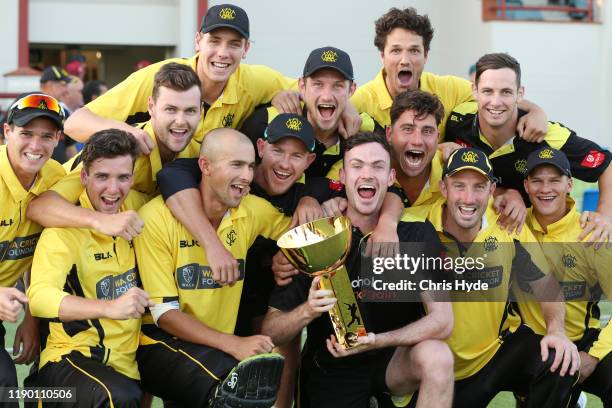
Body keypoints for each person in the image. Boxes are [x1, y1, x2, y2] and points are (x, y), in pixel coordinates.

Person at [262, 132, 455, 408]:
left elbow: (443, 321)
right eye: (357, 166)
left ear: (390, 178)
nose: (367, 174)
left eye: (377, 166)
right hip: (332, 369)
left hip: (392, 362)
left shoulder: (415, 233)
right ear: (342, 177)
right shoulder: (316, 239)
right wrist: (308, 309)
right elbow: (272, 330)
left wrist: (376, 341)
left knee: (438, 356)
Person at [134, 128, 290, 407]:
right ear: (205, 166)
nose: (246, 176)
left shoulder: (251, 210)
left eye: (251, 166)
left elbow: (299, 233)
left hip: (213, 346)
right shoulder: (155, 218)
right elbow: (165, 315)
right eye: (236, 165)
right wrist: (233, 343)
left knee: (253, 384)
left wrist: (289, 252)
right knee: (237, 389)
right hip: (157, 341)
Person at [418, 147, 579, 407]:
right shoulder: (418, 227)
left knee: (557, 360)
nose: (468, 198)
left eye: (479, 187)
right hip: (439, 366)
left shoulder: (507, 226)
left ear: (492, 190)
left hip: (496, 353)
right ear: (443, 188)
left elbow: (547, 286)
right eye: (459, 186)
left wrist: (557, 331)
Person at [64, 3, 295, 155]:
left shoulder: (255, 79)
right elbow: (74, 124)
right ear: (198, 41)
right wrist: (129, 132)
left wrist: (283, 96)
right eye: (214, 41)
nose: (223, 52)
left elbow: (316, 93)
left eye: (234, 44)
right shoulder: (160, 77)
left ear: (245, 49)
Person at [27, 129, 150, 407]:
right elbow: (39, 298)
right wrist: (108, 308)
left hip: (125, 368)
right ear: (84, 177)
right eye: (102, 177)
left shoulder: (140, 210)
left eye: (123, 177)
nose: (113, 189)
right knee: (115, 397)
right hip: (68, 364)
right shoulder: (63, 231)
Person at [445, 52, 612, 242]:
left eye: (506, 92)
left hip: (532, 240)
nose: (496, 101)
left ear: (520, 93)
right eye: (487, 91)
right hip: (476, 235)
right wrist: (504, 192)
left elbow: (607, 164)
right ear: (474, 91)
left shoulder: (545, 134)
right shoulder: (457, 119)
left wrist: (605, 215)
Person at [27, 62, 202, 241]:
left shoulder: (200, 156)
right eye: (170, 109)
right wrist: (101, 220)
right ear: (151, 107)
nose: (180, 121)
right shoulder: (120, 149)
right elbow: (40, 207)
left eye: (190, 111)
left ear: (201, 112)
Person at [351, 7, 548, 141]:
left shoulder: (448, 88)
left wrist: (536, 112)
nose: (405, 60)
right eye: (396, 50)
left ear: (426, 55)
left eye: (414, 50)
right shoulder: (361, 101)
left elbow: (494, 96)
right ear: (382, 56)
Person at [516, 147, 611, 406]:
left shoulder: (592, 232)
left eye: (554, 180)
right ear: (526, 185)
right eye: (537, 180)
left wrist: (594, 355)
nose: (545, 188)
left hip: (583, 343)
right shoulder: (513, 224)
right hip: (531, 344)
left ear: (569, 184)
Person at [0, 93, 65, 389]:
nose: (35, 146)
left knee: (6, 388)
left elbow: (40, 248)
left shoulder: (55, 177)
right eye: (26, 133)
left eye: (46, 136)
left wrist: (31, 316)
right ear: (7, 132)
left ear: (59, 138)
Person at [241, 46, 383, 178]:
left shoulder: (367, 128)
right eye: (318, 84)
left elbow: (393, 173)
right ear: (302, 86)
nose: (327, 96)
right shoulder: (267, 121)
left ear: (351, 90)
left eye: (337, 86)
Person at [39, 66, 77, 162]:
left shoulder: (63, 111)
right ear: (50, 85)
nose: (66, 90)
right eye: (63, 85)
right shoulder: (26, 105)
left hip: (60, 174)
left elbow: (70, 147)